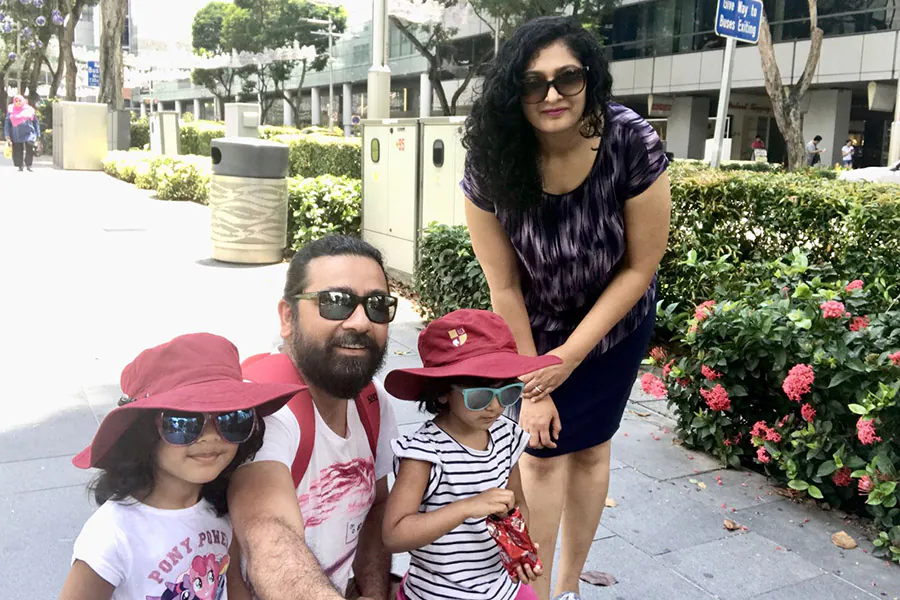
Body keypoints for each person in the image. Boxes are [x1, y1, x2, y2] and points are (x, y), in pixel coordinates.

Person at [461, 16, 671, 600]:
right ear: (514, 92)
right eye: (534, 83)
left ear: (589, 79)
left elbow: (640, 266)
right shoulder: (492, 159)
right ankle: (532, 592)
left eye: (567, 78)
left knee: (591, 447)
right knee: (542, 449)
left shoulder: (631, 141)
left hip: (614, 321)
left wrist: (570, 359)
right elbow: (502, 285)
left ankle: (569, 587)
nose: (552, 95)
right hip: (533, 324)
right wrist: (534, 381)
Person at [58, 333, 302, 600]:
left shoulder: (221, 508)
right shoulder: (113, 535)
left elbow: (232, 583)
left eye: (232, 418)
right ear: (143, 433)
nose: (210, 436)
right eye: (183, 422)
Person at [228, 235, 400, 600]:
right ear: (287, 317)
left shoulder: (372, 401)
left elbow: (377, 506)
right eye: (335, 302)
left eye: (377, 305)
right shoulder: (266, 410)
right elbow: (267, 532)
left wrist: (373, 591)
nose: (360, 322)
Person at [383, 309, 557, 600]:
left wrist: (519, 546)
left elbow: (518, 503)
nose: (495, 408)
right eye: (479, 396)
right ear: (442, 393)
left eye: (508, 393)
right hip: (438, 593)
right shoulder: (424, 454)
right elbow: (394, 534)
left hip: (502, 587)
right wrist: (466, 507)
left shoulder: (506, 435)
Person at [4, 95, 40, 172]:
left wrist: (38, 134)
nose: (18, 103)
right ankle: (20, 165)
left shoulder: (29, 110)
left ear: (23, 101)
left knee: (29, 148)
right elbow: (7, 124)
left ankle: (29, 165)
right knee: (17, 149)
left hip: (29, 133)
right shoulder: (11, 111)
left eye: (20, 101)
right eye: (16, 101)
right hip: (16, 133)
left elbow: (35, 123)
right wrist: (7, 135)